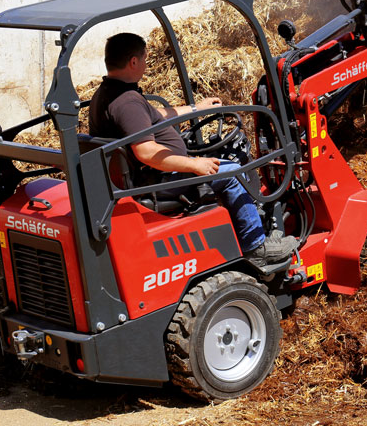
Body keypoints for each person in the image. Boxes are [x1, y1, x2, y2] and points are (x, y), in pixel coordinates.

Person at [88, 32, 297, 267]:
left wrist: (196, 108)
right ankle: (255, 245)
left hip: (142, 177)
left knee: (219, 164)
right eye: (144, 60)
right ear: (133, 62)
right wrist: (194, 164)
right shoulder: (127, 102)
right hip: (157, 180)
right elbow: (146, 152)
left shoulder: (108, 94)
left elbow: (154, 118)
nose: (146, 65)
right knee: (232, 171)